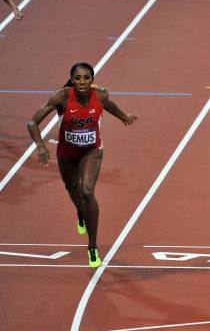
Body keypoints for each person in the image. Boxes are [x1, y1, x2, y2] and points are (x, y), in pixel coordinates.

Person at [27, 63, 137, 268]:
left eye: (86, 78)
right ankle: (80, 212)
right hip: (67, 152)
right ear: (72, 80)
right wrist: (41, 147)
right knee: (72, 187)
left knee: (87, 191)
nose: (82, 82)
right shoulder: (61, 97)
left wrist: (123, 117)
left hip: (92, 151)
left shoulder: (101, 95)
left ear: (92, 79)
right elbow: (32, 123)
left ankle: (92, 247)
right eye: (78, 78)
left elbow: (108, 104)